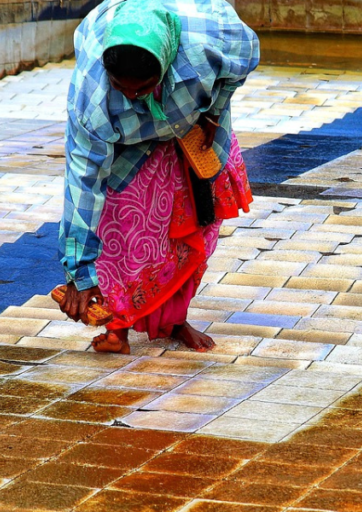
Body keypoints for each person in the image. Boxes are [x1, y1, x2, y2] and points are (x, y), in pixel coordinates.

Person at [57, 0, 259, 354]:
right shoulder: (92, 100)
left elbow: (245, 54)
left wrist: (214, 110)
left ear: (166, 68)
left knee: (188, 231)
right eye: (123, 88)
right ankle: (117, 325)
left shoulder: (209, 40)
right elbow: (82, 183)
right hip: (127, 147)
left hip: (192, 130)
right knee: (120, 228)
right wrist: (78, 273)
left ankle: (174, 320)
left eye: (144, 87)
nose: (133, 96)